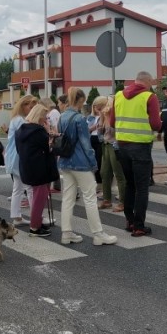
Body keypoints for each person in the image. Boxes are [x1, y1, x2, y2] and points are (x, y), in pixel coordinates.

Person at [57, 87, 118, 246]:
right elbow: (86, 144)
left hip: (65, 161)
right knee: (90, 198)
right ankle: (98, 234)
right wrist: (93, 163)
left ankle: (66, 233)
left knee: (68, 198)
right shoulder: (79, 119)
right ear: (81, 101)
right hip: (80, 163)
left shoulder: (62, 117)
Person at [110, 71, 162, 236]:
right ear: (147, 82)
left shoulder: (118, 95)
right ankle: (139, 225)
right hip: (140, 146)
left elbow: (112, 121)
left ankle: (129, 220)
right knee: (142, 187)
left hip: (122, 146)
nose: (152, 86)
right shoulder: (149, 97)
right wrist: (161, 122)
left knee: (129, 184)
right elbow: (155, 124)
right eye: (151, 83)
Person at [15, 104, 58, 237]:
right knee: (40, 198)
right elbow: (48, 148)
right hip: (39, 168)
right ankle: (35, 227)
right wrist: (47, 131)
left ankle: (37, 222)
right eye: (45, 117)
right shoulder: (38, 131)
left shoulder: (21, 130)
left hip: (27, 166)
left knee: (37, 195)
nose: (46, 119)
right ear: (40, 117)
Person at [5, 94, 37, 227]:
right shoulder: (21, 121)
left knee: (18, 188)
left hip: (14, 156)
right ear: (24, 106)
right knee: (29, 187)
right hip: (19, 157)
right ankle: (37, 217)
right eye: (31, 106)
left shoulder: (16, 119)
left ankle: (17, 216)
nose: (33, 109)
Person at [97, 96, 126, 212]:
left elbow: (115, 130)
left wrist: (107, 119)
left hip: (115, 145)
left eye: (99, 108)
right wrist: (100, 124)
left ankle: (123, 202)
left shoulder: (114, 114)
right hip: (106, 144)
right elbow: (101, 130)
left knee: (119, 174)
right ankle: (107, 199)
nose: (98, 110)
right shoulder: (103, 116)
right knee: (104, 173)